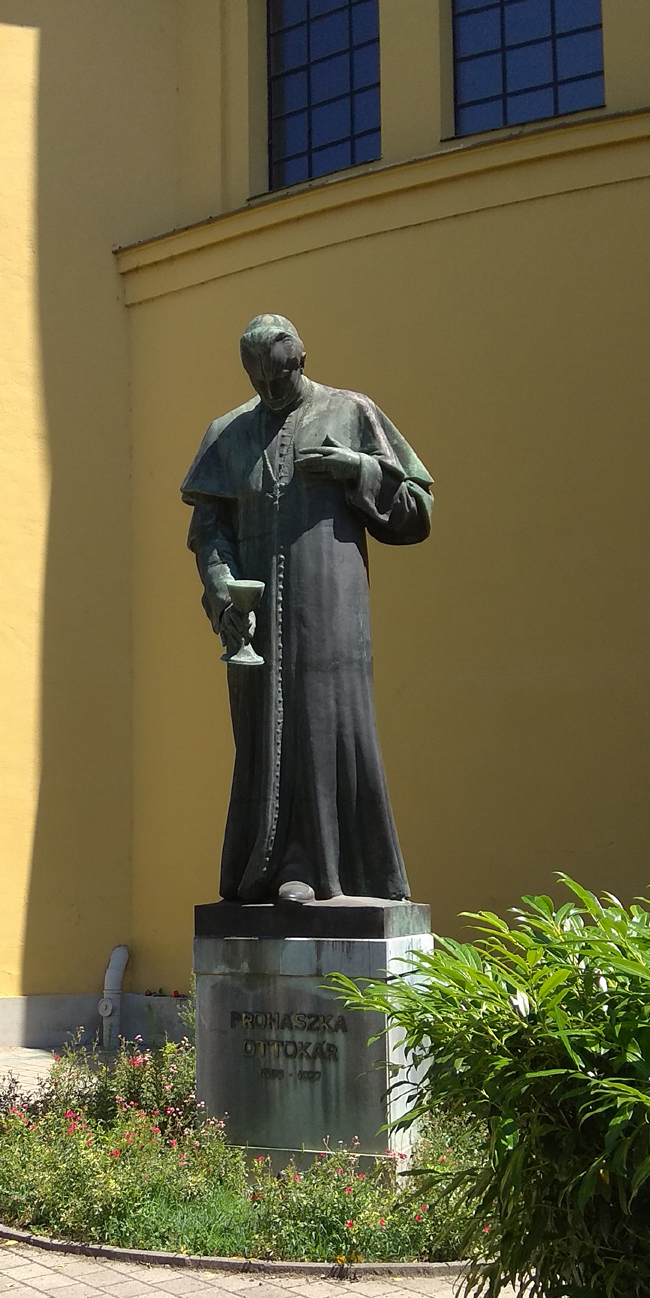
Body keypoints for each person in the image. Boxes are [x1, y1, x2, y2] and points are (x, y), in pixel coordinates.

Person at [181, 313, 433, 905]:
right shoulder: (227, 433)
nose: (272, 392)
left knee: (327, 724)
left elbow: (418, 511)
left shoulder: (351, 412)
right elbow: (208, 529)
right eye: (260, 382)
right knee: (260, 734)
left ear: (302, 360)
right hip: (254, 620)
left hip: (331, 609)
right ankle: (264, 870)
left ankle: (322, 869)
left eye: (282, 377)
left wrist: (358, 470)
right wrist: (221, 588)